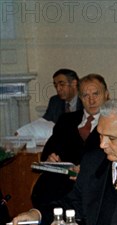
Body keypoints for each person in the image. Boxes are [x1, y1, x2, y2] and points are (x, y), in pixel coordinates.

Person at [31, 74, 110, 212]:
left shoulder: (113, 122)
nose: (91, 100)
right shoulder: (66, 120)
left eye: (96, 94)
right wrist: (51, 158)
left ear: (106, 95)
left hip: (95, 180)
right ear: (80, 98)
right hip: (62, 180)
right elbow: (48, 151)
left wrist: (86, 171)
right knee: (45, 188)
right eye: (85, 95)